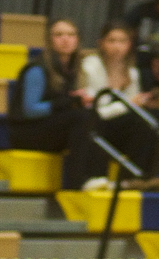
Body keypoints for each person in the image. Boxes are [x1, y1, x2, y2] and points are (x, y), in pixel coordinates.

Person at [81, 20, 159, 192]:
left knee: (156, 117)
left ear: (129, 45)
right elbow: (97, 111)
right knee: (136, 120)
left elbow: (133, 110)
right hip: (95, 125)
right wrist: (129, 104)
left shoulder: (132, 72)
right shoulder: (91, 65)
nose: (117, 46)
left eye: (122, 41)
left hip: (120, 126)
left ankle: (142, 177)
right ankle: (127, 177)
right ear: (101, 43)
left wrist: (141, 103)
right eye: (112, 41)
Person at [7, 19, 95, 190]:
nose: (65, 39)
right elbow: (30, 110)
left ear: (77, 40)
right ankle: (78, 181)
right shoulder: (37, 69)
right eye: (59, 35)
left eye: (71, 35)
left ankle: (97, 176)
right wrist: (68, 102)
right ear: (49, 40)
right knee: (80, 118)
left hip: (52, 128)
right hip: (28, 132)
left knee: (93, 118)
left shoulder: (76, 69)